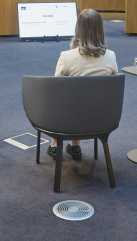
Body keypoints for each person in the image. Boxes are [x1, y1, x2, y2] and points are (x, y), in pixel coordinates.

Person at [47, 8, 118, 161]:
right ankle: (74, 146)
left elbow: (55, 91)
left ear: (78, 29)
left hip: (69, 123)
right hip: (102, 121)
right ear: (101, 29)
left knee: (54, 99)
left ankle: (54, 145)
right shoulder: (111, 56)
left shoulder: (66, 57)